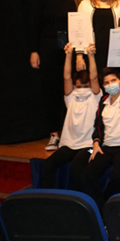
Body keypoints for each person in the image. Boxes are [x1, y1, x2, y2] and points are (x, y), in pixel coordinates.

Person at [30, 0, 85, 151]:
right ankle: (54, 134)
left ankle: (76, 133)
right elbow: (35, 27)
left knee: (75, 91)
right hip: (49, 50)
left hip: (74, 51)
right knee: (52, 92)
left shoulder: (80, 1)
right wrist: (34, 51)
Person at [73, 65, 120, 207]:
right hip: (105, 148)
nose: (110, 84)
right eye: (106, 82)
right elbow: (98, 126)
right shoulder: (103, 101)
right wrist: (96, 143)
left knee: (118, 175)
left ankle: (108, 205)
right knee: (86, 174)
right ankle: (99, 206)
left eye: (113, 80)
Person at [41, 43, 101, 189]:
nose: (82, 89)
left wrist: (91, 56)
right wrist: (68, 55)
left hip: (88, 146)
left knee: (76, 168)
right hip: (69, 145)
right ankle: (47, 196)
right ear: (74, 86)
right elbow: (66, 77)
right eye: (79, 86)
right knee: (48, 165)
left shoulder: (95, 97)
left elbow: (94, 77)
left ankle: (77, 199)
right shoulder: (71, 97)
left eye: (85, 86)